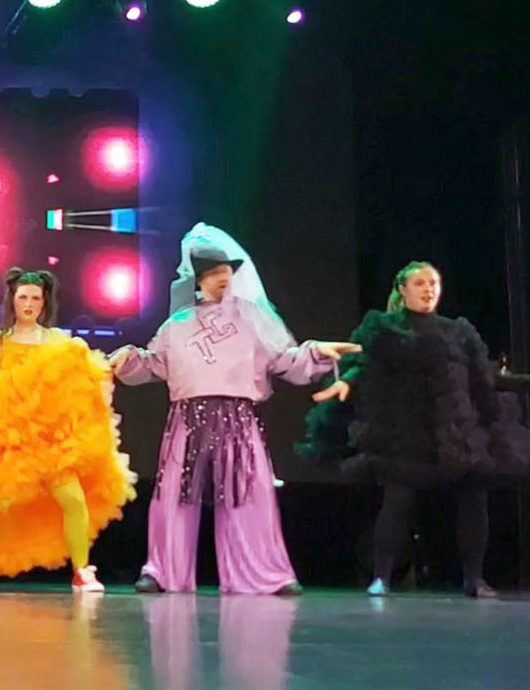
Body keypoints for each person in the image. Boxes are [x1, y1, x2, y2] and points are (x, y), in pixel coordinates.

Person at [109, 223, 358, 595]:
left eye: (226, 270)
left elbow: (284, 359)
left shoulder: (254, 317)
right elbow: (155, 364)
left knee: (248, 495)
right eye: (213, 272)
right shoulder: (177, 325)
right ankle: (162, 571)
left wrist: (316, 353)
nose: (222, 277)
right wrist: (128, 359)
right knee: (175, 495)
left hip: (238, 417)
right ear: (198, 280)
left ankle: (266, 573)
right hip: (187, 418)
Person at [304, 260, 530, 597]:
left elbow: (483, 376)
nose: (428, 290)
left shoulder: (457, 331)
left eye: (433, 284)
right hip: (407, 433)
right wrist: (346, 383)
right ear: (402, 289)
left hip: (455, 430)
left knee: (474, 497)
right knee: (397, 501)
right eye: (420, 283)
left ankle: (474, 579)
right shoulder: (385, 329)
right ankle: (381, 577)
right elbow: (364, 365)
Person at [0, 267, 136, 593]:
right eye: (23, 297)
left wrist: (112, 364)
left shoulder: (58, 340)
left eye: (35, 298)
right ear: (13, 300)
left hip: (46, 437)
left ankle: (82, 571)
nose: (29, 304)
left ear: (44, 302)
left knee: (73, 499)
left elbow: (83, 375)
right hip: (3, 436)